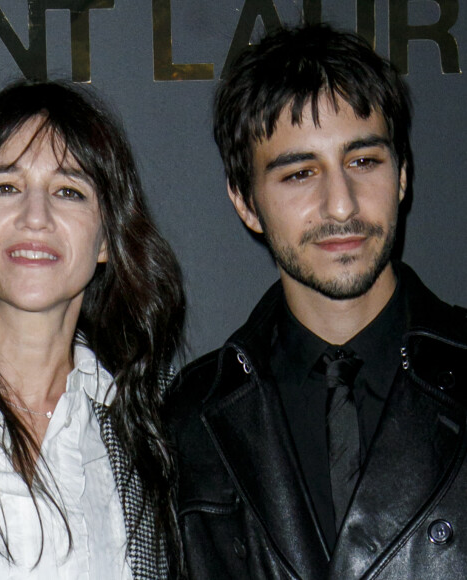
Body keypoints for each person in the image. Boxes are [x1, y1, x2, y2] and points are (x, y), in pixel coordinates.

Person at [165, 24, 467, 579]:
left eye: (363, 161)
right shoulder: (188, 422)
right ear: (246, 202)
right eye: (300, 173)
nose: (341, 205)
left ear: (402, 174)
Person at [0, 80, 185, 579]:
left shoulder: (156, 428)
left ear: (107, 240)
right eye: (6, 187)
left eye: (69, 191)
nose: (35, 217)